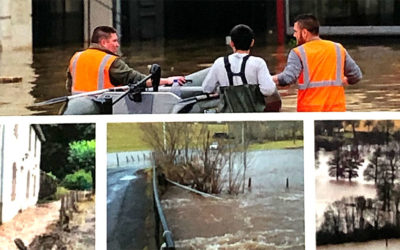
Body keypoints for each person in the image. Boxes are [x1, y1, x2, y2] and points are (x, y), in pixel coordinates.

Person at [272, 14, 362, 112]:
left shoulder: (298, 52)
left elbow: (288, 78)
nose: (294, 35)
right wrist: (345, 81)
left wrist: (269, 79)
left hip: (310, 114)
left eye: (295, 31)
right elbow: (356, 75)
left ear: (305, 32)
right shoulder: (338, 48)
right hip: (336, 112)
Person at [66, 26, 185, 94]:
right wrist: (168, 80)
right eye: (114, 41)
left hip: (77, 104)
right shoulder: (110, 61)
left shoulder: (76, 57)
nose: (117, 45)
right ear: (103, 42)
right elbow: (140, 80)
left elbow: (69, 86)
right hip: (102, 107)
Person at [201, 24, 278, 112]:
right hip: (253, 117)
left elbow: (206, 88)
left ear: (231, 43)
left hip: (228, 118)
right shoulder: (258, 63)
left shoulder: (219, 63)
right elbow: (268, 90)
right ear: (252, 42)